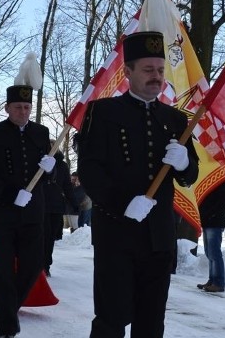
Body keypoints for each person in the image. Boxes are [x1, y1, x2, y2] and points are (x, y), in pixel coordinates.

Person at [77, 30, 199, 338]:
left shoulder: (175, 119)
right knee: (111, 319)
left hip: (158, 238)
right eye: (148, 70)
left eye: (160, 70)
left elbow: (190, 175)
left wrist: (184, 162)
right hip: (116, 235)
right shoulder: (102, 113)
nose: (156, 76)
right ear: (128, 72)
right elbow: (90, 170)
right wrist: (123, 203)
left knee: (151, 322)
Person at [0, 76, 56, 338]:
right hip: (3, 212)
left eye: (27, 107)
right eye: (18, 107)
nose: (23, 111)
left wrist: (51, 169)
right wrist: (11, 195)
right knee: (4, 270)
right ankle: (6, 328)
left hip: (33, 212)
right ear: (7, 108)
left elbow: (51, 165)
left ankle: (8, 307)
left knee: (34, 265)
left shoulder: (41, 133)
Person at [42, 150, 77, 277]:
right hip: (41, 205)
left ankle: (46, 264)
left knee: (50, 237)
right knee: (42, 235)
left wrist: (74, 203)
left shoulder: (62, 165)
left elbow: (67, 185)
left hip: (56, 206)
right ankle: (38, 264)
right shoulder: (40, 160)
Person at [197, 178, 225, 293]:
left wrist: (211, 213)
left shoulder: (222, 181)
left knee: (214, 252)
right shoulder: (209, 180)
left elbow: (224, 200)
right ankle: (212, 280)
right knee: (209, 252)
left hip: (215, 221)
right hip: (207, 221)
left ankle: (218, 283)